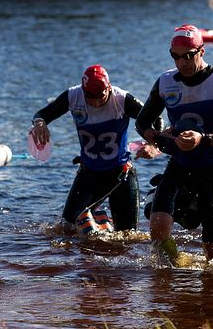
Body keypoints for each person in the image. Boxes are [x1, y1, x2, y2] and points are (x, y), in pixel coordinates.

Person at [136, 24, 213, 263]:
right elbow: (142, 122)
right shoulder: (166, 82)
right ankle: (177, 266)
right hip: (180, 165)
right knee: (157, 227)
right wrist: (160, 140)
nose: (183, 63)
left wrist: (203, 139)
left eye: (189, 56)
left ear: (202, 51)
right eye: (176, 57)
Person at [30, 64, 161, 233]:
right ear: (83, 91)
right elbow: (41, 114)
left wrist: (152, 144)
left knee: (128, 235)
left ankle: (102, 227)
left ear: (109, 88)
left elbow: (155, 120)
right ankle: (99, 226)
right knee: (65, 228)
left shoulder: (121, 99)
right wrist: (40, 124)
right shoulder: (74, 96)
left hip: (121, 175)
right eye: (89, 96)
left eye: (100, 95)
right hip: (89, 174)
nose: (96, 101)